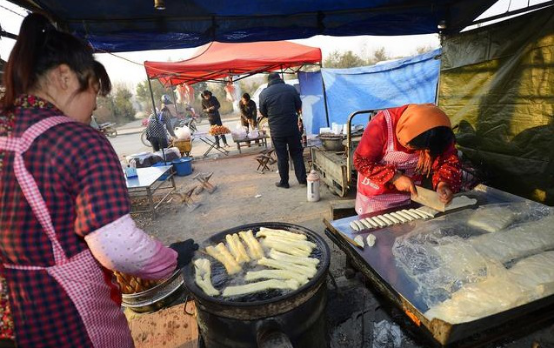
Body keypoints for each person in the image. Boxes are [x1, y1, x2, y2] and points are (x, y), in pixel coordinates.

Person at [0, 13, 196, 347]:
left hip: (9, 317)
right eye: (93, 90)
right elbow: (117, 247)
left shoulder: (6, 130)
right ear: (64, 77)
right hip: (64, 316)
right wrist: (170, 259)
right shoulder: (77, 140)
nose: (93, 106)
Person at [353, 103, 462, 215]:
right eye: (420, 150)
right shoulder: (382, 124)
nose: (423, 154)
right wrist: (394, 177)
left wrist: (443, 184)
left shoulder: (439, 131)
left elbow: (448, 161)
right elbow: (361, 161)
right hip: (376, 198)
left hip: (411, 196)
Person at [259, 73, 307, 188]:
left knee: (281, 156)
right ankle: (302, 180)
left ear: (268, 81)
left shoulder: (264, 93)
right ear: (280, 79)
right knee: (296, 154)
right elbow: (298, 105)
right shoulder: (290, 89)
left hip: (277, 130)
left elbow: (263, 112)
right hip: (292, 128)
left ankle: (284, 182)